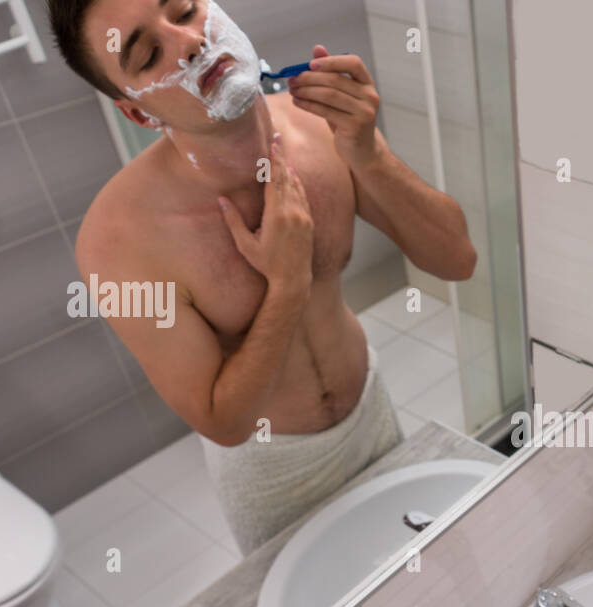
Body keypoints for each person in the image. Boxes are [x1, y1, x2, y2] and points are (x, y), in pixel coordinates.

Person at [50, 0, 476, 553]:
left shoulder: (320, 129)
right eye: (151, 54)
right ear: (138, 113)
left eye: (184, 11)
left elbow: (456, 260)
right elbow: (223, 422)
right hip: (273, 471)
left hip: (371, 409)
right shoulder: (118, 241)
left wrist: (367, 153)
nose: (191, 43)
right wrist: (288, 286)